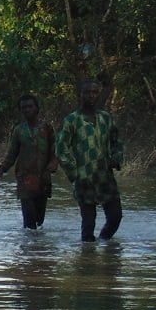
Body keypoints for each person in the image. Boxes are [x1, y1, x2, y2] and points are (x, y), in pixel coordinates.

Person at [56, 79, 123, 241]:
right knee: (88, 225)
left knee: (115, 217)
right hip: (84, 179)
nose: (91, 96)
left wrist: (116, 158)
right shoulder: (72, 120)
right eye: (87, 92)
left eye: (94, 93)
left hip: (105, 177)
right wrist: (74, 173)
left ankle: (105, 246)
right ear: (80, 95)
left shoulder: (105, 118)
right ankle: (86, 259)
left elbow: (117, 142)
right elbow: (61, 150)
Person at [0, 93, 58, 229]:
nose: (27, 110)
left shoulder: (47, 128)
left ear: (37, 108)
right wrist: (2, 169)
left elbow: (55, 151)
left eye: (30, 106)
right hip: (24, 178)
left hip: (43, 178)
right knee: (29, 219)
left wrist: (53, 165)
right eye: (23, 108)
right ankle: (28, 247)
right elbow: (12, 153)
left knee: (39, 219)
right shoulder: (19, 130)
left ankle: (38, 248)